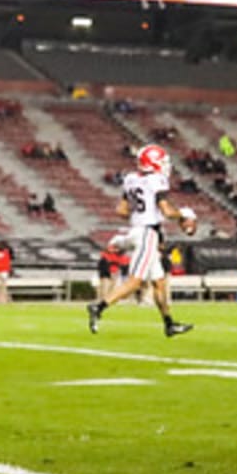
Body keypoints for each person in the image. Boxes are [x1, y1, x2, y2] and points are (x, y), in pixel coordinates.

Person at [86, 144, 195, 337]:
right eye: (162, 162)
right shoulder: (157, 180)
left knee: (159, 283)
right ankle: (99, 306)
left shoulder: (130, 179)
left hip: (137, 230)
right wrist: (183, 214)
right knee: (135, 281)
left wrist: (139, 210)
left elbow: (121, 210)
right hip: (147, 234)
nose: (165, 166)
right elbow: (166, 211)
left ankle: (169, 324)